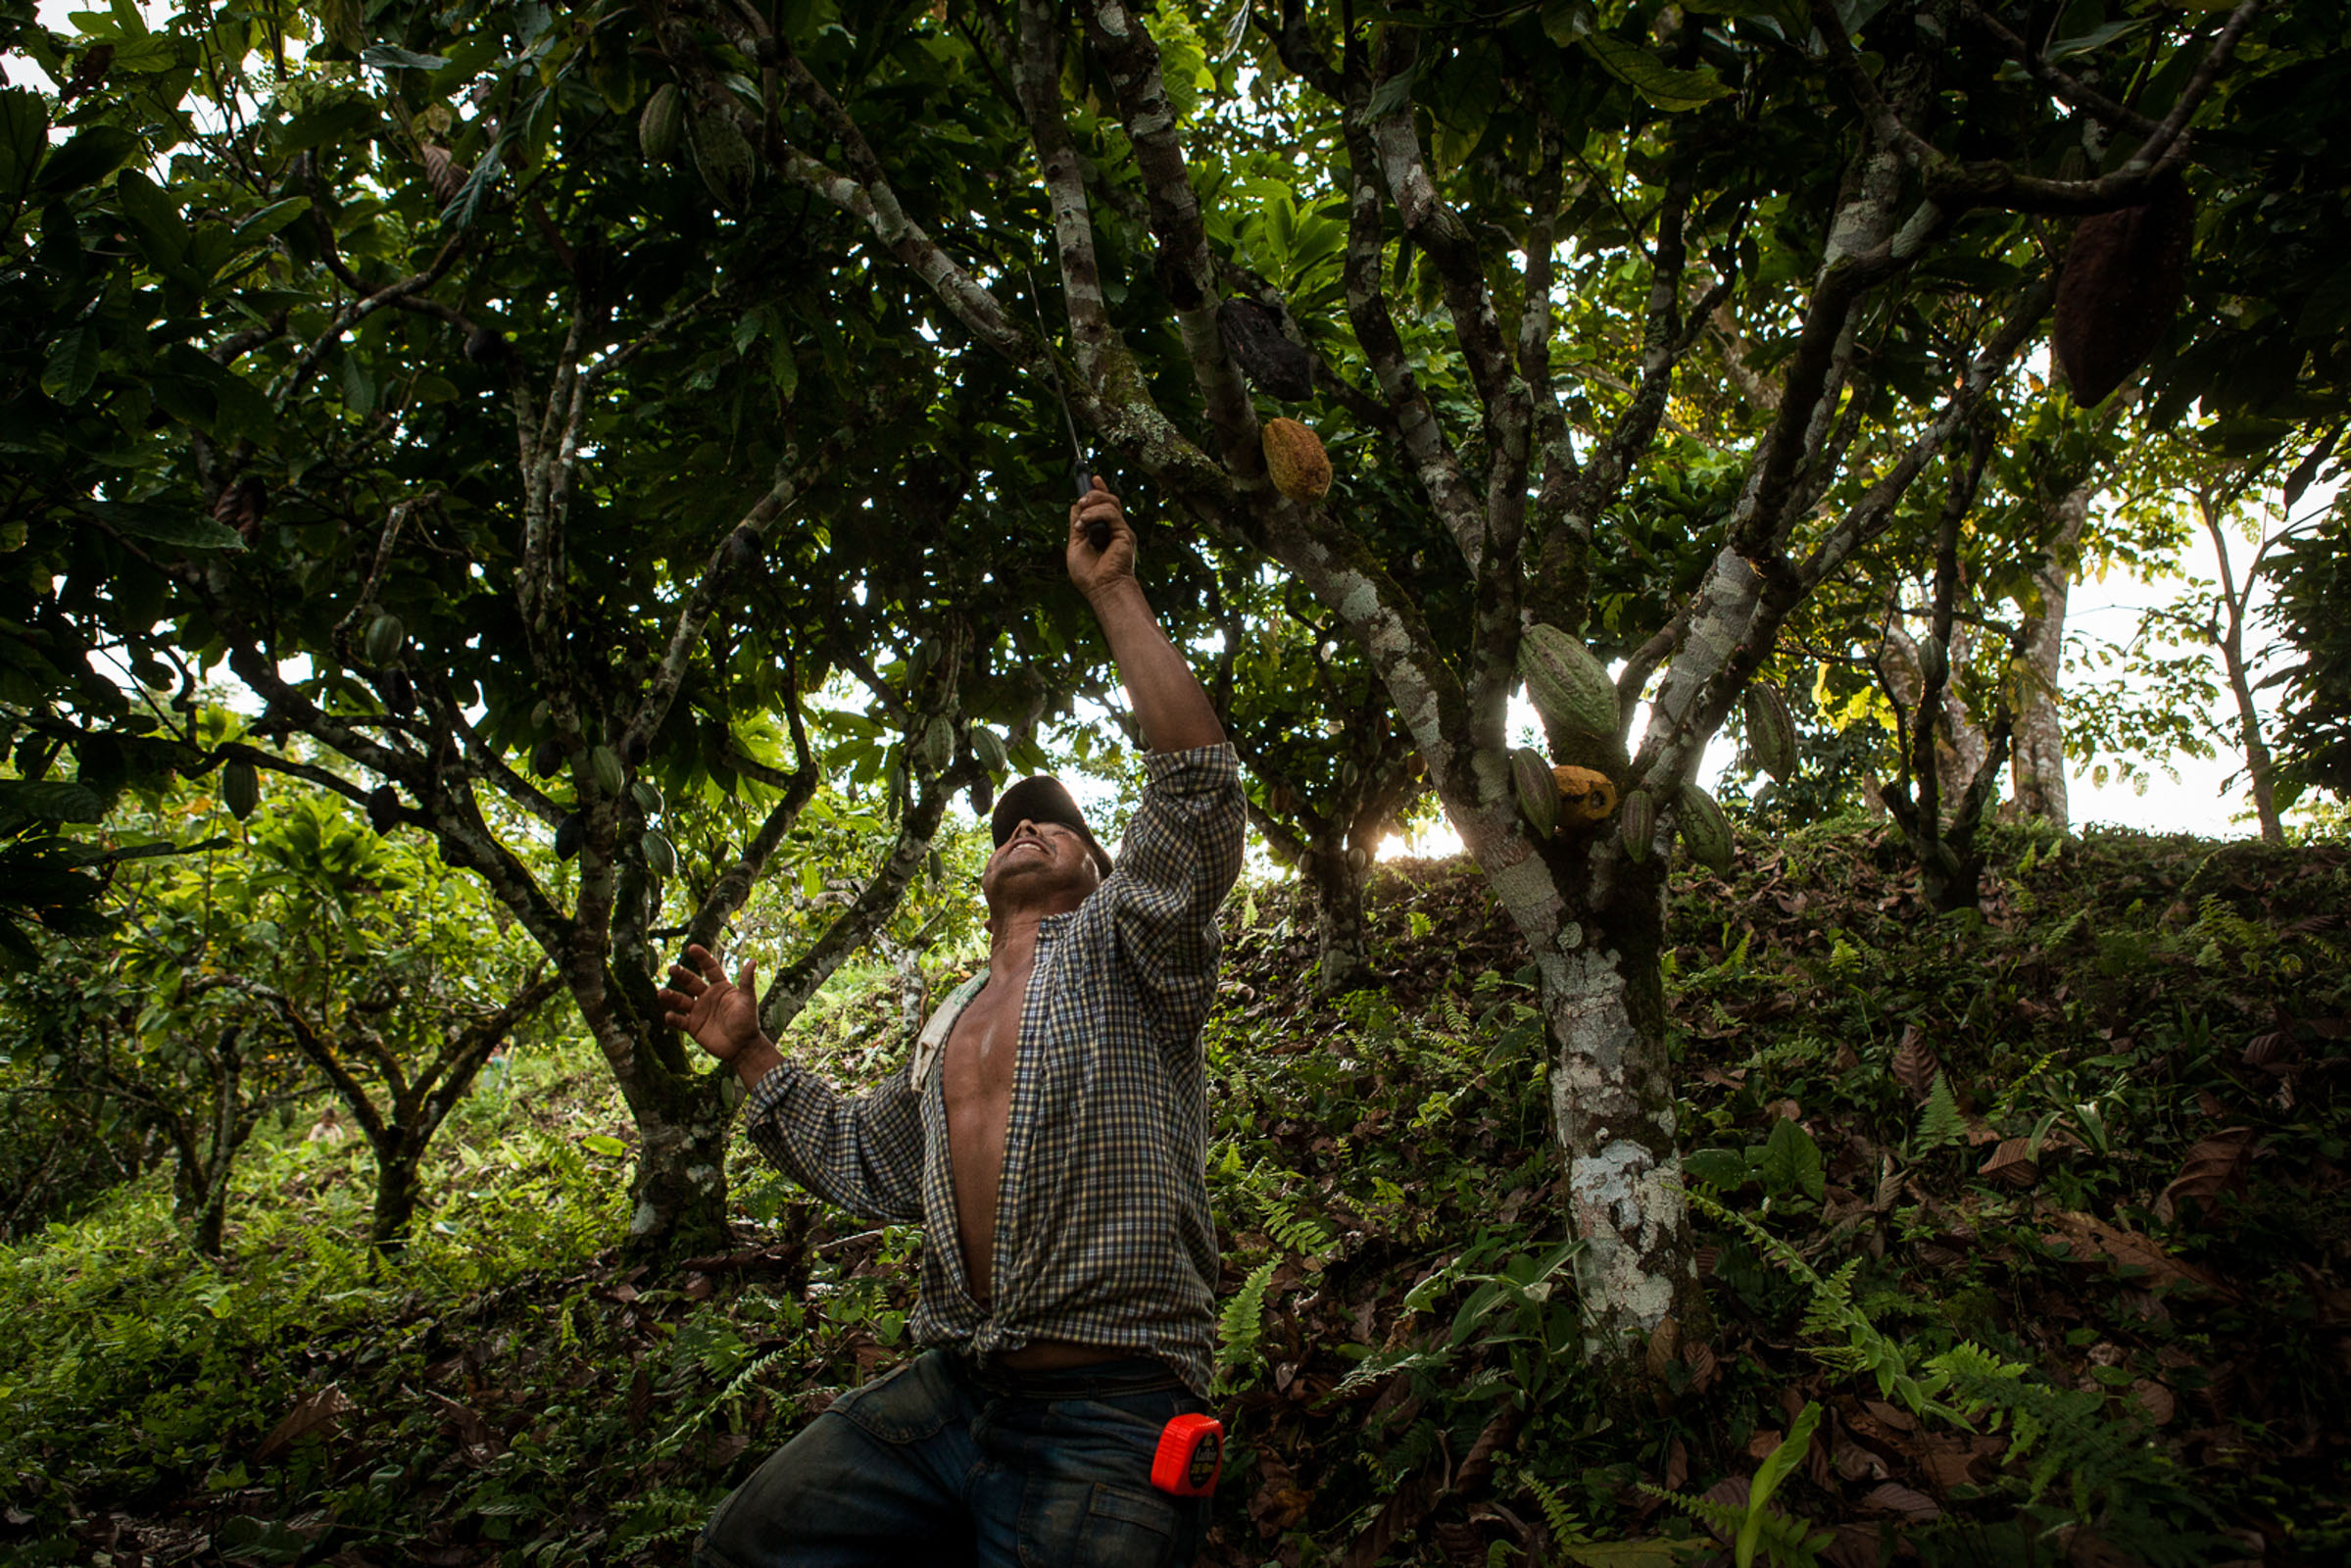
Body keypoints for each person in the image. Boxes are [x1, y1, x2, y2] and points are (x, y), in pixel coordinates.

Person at [661, 479, 1245, 1568]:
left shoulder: (1134, 946)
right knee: (743, 1546)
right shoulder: (949, 1018)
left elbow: (1199, 794)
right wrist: (747, 1053)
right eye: (1013, 819)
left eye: (1059, 823)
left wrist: (1113, 592)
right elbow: (868, 1161)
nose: (1028, 823)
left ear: (1105, 867)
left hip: (1110, 1403)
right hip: (953, 1392)